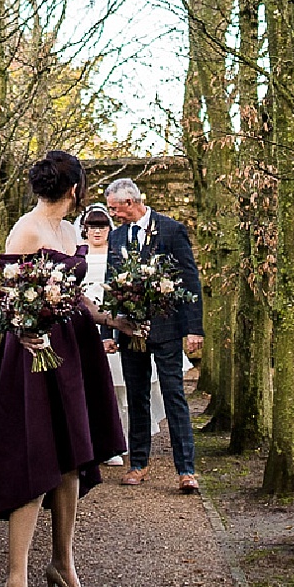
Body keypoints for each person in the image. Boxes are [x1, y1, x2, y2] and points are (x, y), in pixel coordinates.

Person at [0, 149, 133, 587]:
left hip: (75, 347)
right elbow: (8, 294)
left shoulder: (70, 232)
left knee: (72, 457)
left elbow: (74, 289)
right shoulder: (26, 230)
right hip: (34, 353)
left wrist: (109, 318)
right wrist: (23, 328)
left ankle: (62, 566)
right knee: (35, 458)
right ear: (74, 189)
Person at [104, 177, 206, 492]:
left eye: (115, 209)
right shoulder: (116, 236)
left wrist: (193, 328)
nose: (113, 215)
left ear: (131, 203)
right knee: (136, 398)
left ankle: (186, 470)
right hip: (130, 332)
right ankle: (138, 464)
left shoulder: (172, 230)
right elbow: (111, 285)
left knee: (174, 396)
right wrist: (109, 330)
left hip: (167, 328)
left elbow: (189, 279)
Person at [79, 206, 129, 463]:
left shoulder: (118, 254)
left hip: (113, 322)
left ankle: (119, 442)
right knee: (89, 384)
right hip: (85, 321)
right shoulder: (77, 256)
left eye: (102, 226)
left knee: (120, 388)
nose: (97, 231)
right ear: (84, 229)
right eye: (92, 226)